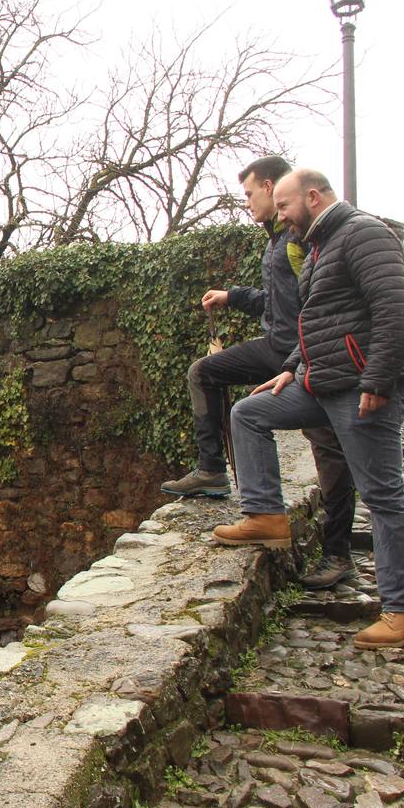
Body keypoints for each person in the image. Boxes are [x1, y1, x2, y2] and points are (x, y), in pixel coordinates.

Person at [213, 168, 404, 649]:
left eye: (285, 206)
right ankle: (266, 516)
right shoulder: (317, 247)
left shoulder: (364, 233)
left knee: (383, 494)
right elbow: (315, 322)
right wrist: (290, 366)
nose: (280, 215)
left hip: (360, 385)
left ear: (312, 196)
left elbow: (394, 309)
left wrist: (378, 378)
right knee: (250, 413)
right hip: (321, 379)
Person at [159, 157, 356, 589]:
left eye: (250, 194)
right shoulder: (276, 240)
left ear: (270, 187)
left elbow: (319, 298)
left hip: (303, 353)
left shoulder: (301, 237)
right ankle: (213, 471)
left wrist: (308, 361)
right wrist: (233, 296)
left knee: (329, 450)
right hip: (280, 349)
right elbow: (277, 298)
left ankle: (338, 553)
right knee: (205, 373)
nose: (248, 203)